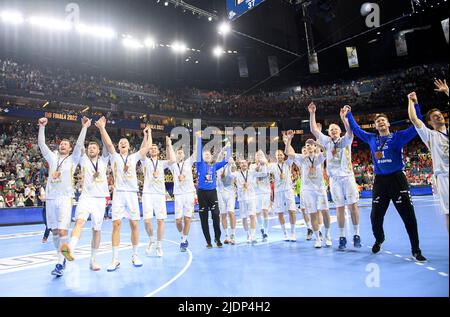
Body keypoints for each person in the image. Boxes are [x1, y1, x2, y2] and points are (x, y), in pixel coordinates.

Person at [344, 103, 427, 262]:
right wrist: (349, 114)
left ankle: (416, 250)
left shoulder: (398, 137)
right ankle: (379, 239)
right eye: (378, 121)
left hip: (397, 179)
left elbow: (418, 123)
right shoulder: (371, 138)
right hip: (380, 181)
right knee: (375, 216)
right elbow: (356, 130)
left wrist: (415, 105)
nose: (381, 122)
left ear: (388, 124)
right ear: (375, 126)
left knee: (408, 216)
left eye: (383, 120)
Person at [96, 116, 151, 272]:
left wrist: (147, 135)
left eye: (125, 142)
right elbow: (107, 143)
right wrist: (102, 128)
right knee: (116, 225)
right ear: (119, 146)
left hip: (132, 194)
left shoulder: (134, 157)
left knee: (134, 224)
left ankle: (135, 255)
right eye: (120, 142)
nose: (122, 143)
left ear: (129, 145)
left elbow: (147, 149)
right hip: (119, 194)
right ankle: (115, 259)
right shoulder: (114, 156)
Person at [38, 116, 88, 277]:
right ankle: (61, 256)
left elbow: (80, 144)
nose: (62, 145)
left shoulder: (73, 159)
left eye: (66, 144)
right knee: (54, 232)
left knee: (62, 231)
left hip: (65, 198)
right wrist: (42, 127)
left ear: (70, 147)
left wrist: (85, 127)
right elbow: (41, 144)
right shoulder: (53, 157)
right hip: (51, 199)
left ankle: (60, 263)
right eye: (61, 144)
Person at [308, 102, 361, 250]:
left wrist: (344, 119)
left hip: (348, 176)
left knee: (352, 206)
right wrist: (312, 113)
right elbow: (313, 130)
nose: (333, 131)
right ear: (329, 132)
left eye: (336, 129)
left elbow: (350, 131)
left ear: (339, 131)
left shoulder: (346, 140)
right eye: (331, 129)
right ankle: (342, 236)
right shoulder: (326, 141)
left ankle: (356, 234)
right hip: (334, 179)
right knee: (339, 207)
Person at [59, 136, 111, 271]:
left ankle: (93, 260)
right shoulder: (83, 160)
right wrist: (85, 127)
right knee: (79, 222)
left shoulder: (104, 160)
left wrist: (102, 128)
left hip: (100, 199)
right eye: (89, 148)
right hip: (86, 197)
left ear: (99, 151)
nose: (91, 149)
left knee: (96, 230)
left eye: (94, 148)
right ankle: (70, 249)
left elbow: (107, 145)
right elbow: (79, 145)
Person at [408, 87, 448, 232]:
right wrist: (411, 102)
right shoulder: (430, 135)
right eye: (434, 117)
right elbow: (414, 119)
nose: (439, 117)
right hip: (444, 178)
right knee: (449, 213)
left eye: (440, 115)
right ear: (430, 122)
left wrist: (447, 91)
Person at [286, 136, 332, 248]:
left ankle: (327, 235)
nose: (309, 146)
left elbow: (328, 150)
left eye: (311, 145)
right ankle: (317, 238)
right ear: (305, 148)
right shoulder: (302, 158)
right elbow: (288, 152)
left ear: (315, 147)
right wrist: (288, 141)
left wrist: (317, 143)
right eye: (307, 145)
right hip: (308, 190)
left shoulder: (319, 157)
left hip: (320, 188)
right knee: (312, 213)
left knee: (325, 212)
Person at [196, 132, 231, 248]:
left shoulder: (214, 166)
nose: (206, 155)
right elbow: (199, 153)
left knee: (216, 215)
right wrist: (199, 138)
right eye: (204, 154)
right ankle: (208, 241)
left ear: (211, 157)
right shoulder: (200, 164)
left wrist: (229, 147)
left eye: (208, 154)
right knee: (204, 218)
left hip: (212, 193)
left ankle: (217, 238)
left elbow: (226, 160)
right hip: (202, 194)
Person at [141, 136, 175, 257]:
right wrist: (146, 137)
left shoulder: (162, 163)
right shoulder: (145, 161)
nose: (153, 149)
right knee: (147, 220)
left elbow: (173, 160)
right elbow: (142, 150)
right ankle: (151, 239)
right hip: (148, 194)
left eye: (155, 148)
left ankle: (159, 246)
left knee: (160, 220)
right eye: (151, 148)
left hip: (160, 194)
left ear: (158, 151)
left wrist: (169, 144)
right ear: (149, 151)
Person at [230, 156, 268, 243]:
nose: (243, 164)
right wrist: (230, 164)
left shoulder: (252, 172)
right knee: (244, 217)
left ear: (247, 164)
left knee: (252, 216)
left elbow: (264, 174)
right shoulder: (237, 174)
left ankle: (253, 235)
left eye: (245, 163)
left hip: (251, 197)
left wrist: (264, 164)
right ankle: (248, 234)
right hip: (242, 198)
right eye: (241, 163)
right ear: (239, 165)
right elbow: (228, 175)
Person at [168, 145, 197, 252]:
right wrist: (169, 145)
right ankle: (183, 234)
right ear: (175, 155)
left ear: (184, 155)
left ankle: (184, 240)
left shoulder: (188, 162)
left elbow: (196, 153)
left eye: (181, 152)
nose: (180, 154)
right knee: (178, 220)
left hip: (189, 193)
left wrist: (197, 140)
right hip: (178, 194)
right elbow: (169, 155)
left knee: (187, 218)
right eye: (178, 152)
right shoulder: (173, 165)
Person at [269, 147, 298, 242]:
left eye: (281, 154)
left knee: (292, 210)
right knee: (280, 212)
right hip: (278, 192)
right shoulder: (272, 166)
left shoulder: (287, 163)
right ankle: (285, 233)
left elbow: (292, 155)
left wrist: (287, 142)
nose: (279, 156)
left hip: (288, 190)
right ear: (275, 157)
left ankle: (293, 232)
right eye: (277, 155)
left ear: (284, 156)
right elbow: (264, 168)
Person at [217, 153, 237, 245]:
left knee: (231, 212)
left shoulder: (231, 164)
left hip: (230, 192)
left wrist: (231, 163)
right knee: (223, 215)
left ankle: (233, 235)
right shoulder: (219, 165)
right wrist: (223, 151)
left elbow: (234, 171)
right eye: (224, 155)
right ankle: (226, 236)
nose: (225, 156)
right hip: (220, 192)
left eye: (227, 155)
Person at [251, 150, 271, 241]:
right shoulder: (252, 166)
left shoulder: (267, 165)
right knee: (258, 212)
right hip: (256, 192)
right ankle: (261, 228)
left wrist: (264, 164)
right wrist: (257, 170)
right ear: (255, 157)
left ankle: (266, 231)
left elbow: (265, 174)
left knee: (265, 210)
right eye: (257, 155)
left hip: (266, 191)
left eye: (261, 155)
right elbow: (252, 173)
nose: (259, 156)